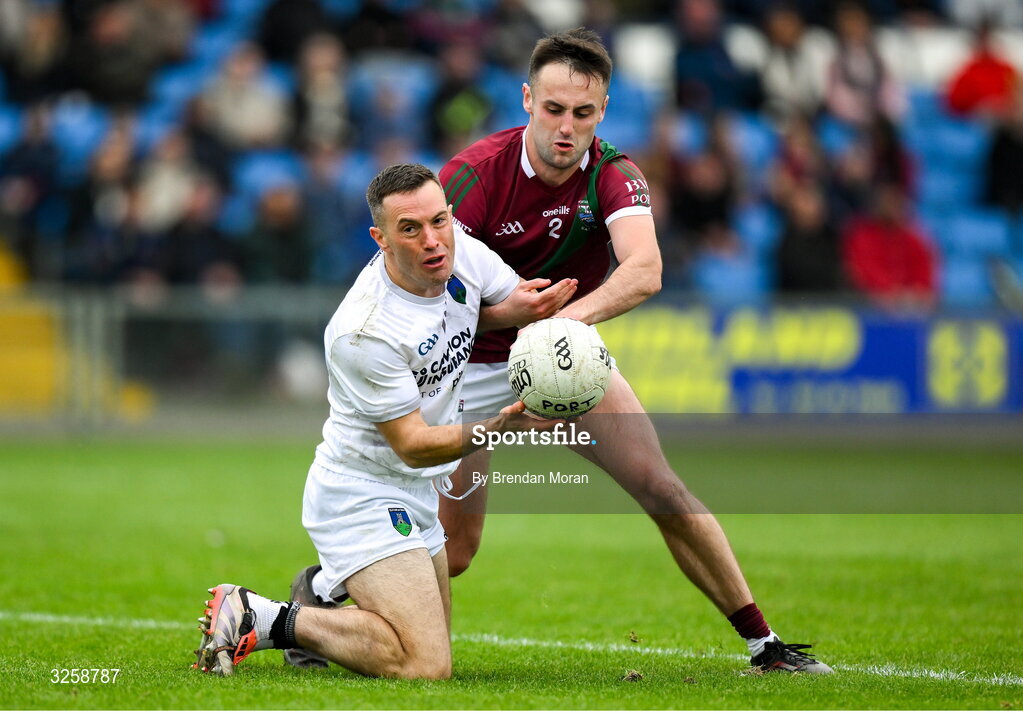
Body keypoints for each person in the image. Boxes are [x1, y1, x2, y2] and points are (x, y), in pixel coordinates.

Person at [436, 28, 831, 674]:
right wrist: (515, 324)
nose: (567, 127)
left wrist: (557, 330)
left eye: (583, 113)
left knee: (661, 487)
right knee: (454, 550)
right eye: (554, 109)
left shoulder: (614, 176)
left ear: (603, 110)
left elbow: (644, 269)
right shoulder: (474, 176)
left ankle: (765, 644)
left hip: (562, 360)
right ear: (527, 99)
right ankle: (317, 599)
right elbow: (430, 290)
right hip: (468, 368)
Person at [194, 163, 577, 677]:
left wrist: (531, 312)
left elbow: (489, 306)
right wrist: (500, 428)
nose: (433, 240)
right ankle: (258, 616)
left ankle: (322, 591)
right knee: (425, 664)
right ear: (381, 239)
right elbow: (414, 444)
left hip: (417, 488)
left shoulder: (458, 251)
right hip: (362, 492)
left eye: (440, 220)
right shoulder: (364, 331)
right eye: (410, 229)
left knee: (426, 641)